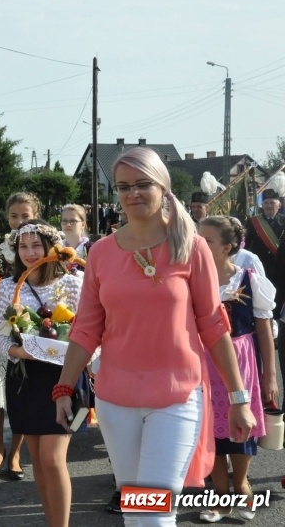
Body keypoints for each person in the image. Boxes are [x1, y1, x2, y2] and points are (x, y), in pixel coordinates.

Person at [54, 147, 255, 527]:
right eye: (123, 186)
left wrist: (238, 398)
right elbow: (86, 328)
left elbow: (214, 326)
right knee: (136, 509)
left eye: (142, 184)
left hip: (176, 398)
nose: (132, 193)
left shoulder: (191, 246)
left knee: (153, 513)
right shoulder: (101, 253)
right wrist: (64, 388)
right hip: (115, 400)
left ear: (163, 187)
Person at [0, 219, 89, 527]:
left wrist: (67, 355)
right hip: (24, 379)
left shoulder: (73, 282)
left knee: (52, 458)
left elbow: (90, 333)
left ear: (51, 247)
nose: (30, 252)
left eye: (37, 245)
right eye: (23, 246)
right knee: (37, 460)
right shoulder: (8, 287)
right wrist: (25, 351)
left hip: (65, 378)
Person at [196, 216, 278, 522]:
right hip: (202, 361)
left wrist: (270, 376)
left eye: (207, 241)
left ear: (228, 247)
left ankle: (241, 484)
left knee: (240, 426)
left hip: (240, 359)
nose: (198, 245)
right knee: (209, 429)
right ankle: (220, 494)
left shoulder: (248, 278)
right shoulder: (192, 280)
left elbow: (264, 330)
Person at [0, 192, 38, 480]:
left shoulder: (40, 245)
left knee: (21, 386)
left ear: (36, 215)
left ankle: (15, 453)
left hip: (29, 320)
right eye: (14, 216)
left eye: (25, 216)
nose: (19, 221)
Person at [245, 187, 285, 406]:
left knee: (276, 307)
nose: (269, 206)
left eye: (273, 203)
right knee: (263, 310)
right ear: (262, 205)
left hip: (279, 273)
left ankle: (275, 334)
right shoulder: (253, 223)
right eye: (266, 203)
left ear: (279, 204)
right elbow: (248, 245)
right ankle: (268, 333)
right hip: (261, 273)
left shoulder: (284, 222)